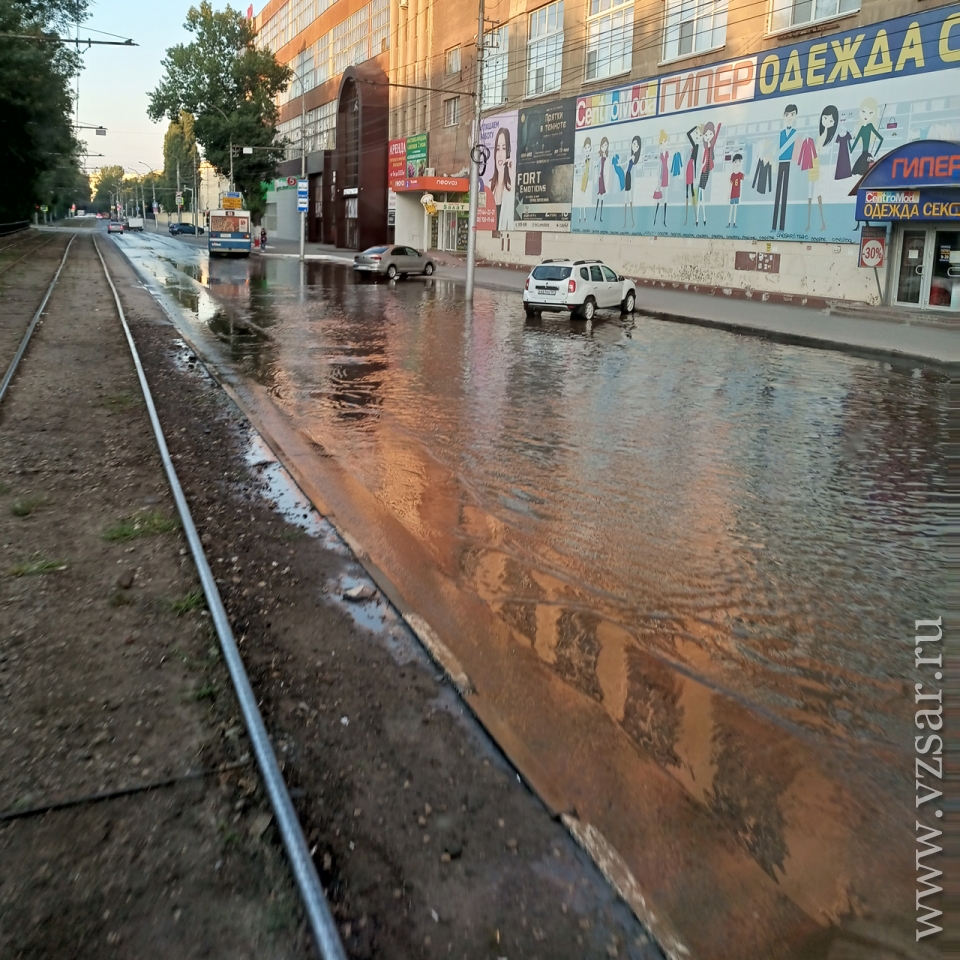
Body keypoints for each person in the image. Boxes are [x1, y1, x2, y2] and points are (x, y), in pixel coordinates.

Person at [772, 103, 798, 232]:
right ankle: (773, 226)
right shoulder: (781, 133)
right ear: (784, 116)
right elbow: (777, 148)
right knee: (777, 194)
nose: (789, 117)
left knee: (784, 195)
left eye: (792, 115)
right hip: (780, 163)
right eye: (787, 115)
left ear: (795, 116)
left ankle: (781, 227)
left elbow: (790, 149)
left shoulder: (794, 133)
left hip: (788, 163)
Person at [727, 154, 744, 228]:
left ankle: (734, 222)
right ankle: (729, 222)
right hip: (732, 194)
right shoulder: (732, 175)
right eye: (736, 161)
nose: (738, 163)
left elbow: (742, 185)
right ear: (734, 162)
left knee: (735, 208)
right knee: (731, 208)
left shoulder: (741, 174)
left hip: (737, 194)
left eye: (739, 161)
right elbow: (730, 185)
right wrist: (728, 194)